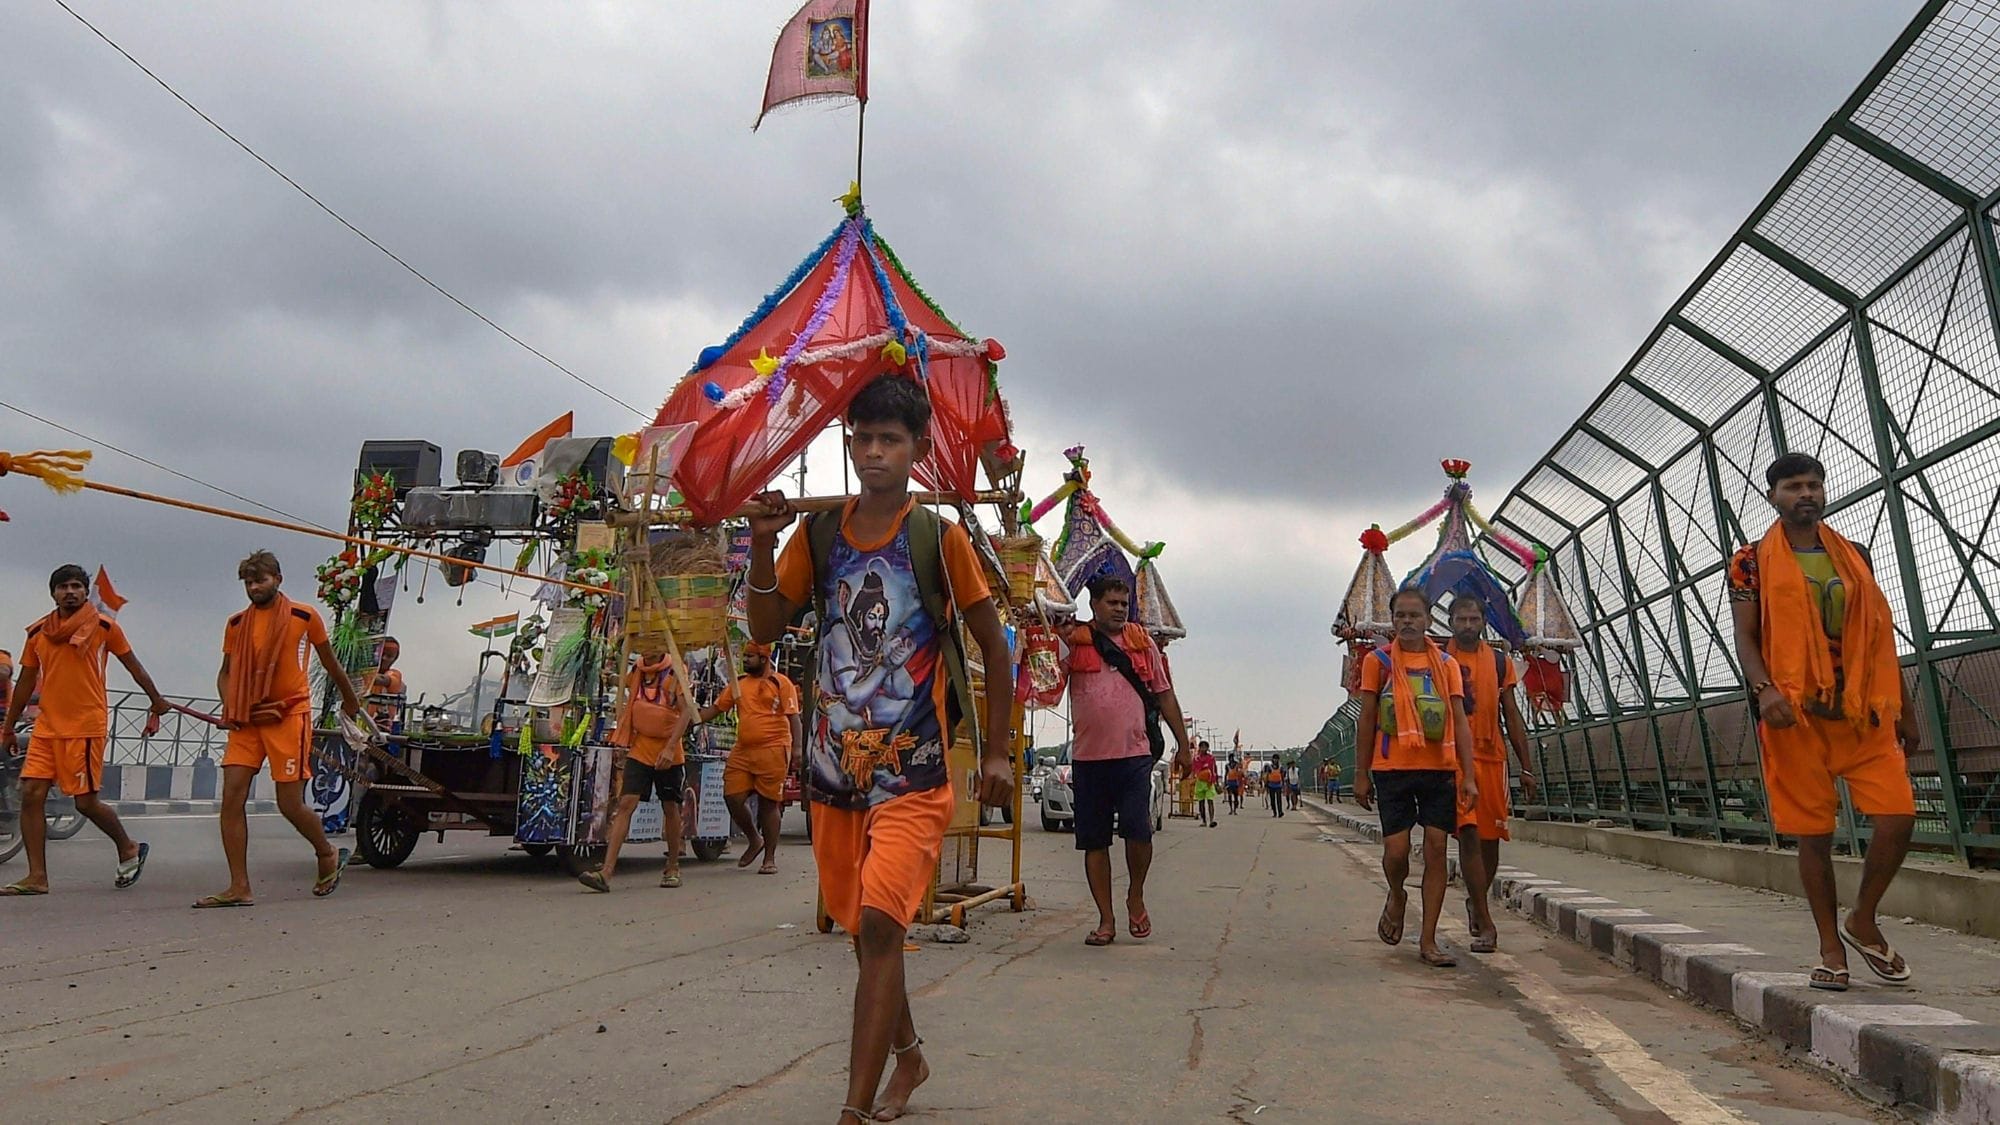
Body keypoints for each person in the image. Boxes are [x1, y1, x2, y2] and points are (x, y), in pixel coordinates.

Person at [744, 374, 1014, 1124]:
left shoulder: (938, 538)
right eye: (861, 437)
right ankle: (910, 1059)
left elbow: (996, 643)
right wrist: (764, 548)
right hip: (833, 777)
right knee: (865, 934)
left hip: (914, 774)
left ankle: (853, 1110)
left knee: (879, 926)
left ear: (918, 449)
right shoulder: (822, 535)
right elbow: (766, 628)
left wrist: (996, 754)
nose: (873, 453)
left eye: (889, 440)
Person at [1729, 452, 1918, 992]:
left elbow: (1879, 634)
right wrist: (1764, 690)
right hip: (1795, 718)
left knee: (1898, 815)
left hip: (1862, 712)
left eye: (1814, 484)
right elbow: (1747, 636)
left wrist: (1904, 708)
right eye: (1793, 487)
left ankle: (1862, 919)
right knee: (1814, 836)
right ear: (1773, 497)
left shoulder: (1854, 555)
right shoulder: (1751, 562)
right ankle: (1830, 948)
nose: (1805, 494)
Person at [194, 550, 363, 908]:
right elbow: (226, 673)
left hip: (288, 717)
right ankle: (239, 886)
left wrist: (351, 702)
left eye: (261, 580)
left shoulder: (304, 616)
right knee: (231, 799)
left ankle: (326, 852)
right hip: (246, 719)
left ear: (278, 579)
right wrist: (229, 706)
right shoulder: (237, 624)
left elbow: (330, 664)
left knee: (289, 804)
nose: (255, 587)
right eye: (249, 582)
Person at [1, 565, 171, 896]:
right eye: (63, 587)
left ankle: (128, 848)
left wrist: (156, 700)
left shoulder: (104, 627)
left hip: (85, 726)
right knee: (31, 795)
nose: (70, 592)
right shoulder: (38, 633)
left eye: (77, 586)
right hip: (47, 727)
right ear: (53, 593)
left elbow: (133, 666)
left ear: (84, 591)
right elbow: (23, 681)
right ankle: (37, 877)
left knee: (85, 803)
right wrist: (8, 727)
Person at [1059, 574, 1192, 947]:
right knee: (1094, 842)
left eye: (1124, 602)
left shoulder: (1141, 643)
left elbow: (1165, 695)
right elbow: (1048, 682)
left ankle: (1135, 893)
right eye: (1111, 602)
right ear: (1093, 605)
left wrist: (1184, 745)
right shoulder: (1075, 642)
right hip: (1088, 759)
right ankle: (1106, 920)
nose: (1119, 609)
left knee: (1138, 830)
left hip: (1134, 754)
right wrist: (1051, 636)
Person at [1353, 586, 1478, 969]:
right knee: (1397, 852)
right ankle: (1396, 894)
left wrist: (1468, 775)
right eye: (1400, 616)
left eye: (1415, 616)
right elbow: (1368, 717)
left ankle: (1428, 939)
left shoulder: (1446, 665)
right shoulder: (1379, 662)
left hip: (1438, 769)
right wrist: (1361, 774)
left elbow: (1459, 719)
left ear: (1428, 620)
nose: (1407, 622)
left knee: (1437, 849)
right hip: (1391, 769)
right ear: (1392, 621)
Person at [1445, 595, 1537, 954]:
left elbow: (1512, 715)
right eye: (1461, 620)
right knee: (1468, 835)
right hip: (1452, 762)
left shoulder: (1500, 663)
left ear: (1483, 622)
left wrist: (1525, 767)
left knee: (1490, 840)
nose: (1467, 626)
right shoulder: (1440, 660)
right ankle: (1486, 920)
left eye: (1473, 619)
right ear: (1450, 622)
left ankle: (1476, 899)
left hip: (1491, 759)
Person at [581, 649, 691, 892]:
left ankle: (672, 867)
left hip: (668, 750)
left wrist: (671, 748)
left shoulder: (674, 671)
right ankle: (606, 872)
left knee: (670, 806)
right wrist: (609, 678)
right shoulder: (638, 670)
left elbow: (687, 711)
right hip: (640, 747)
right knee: (625, 804)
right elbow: (626, 683)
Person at [698, 641, 801, 874]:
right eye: (745, 657)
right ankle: (754, 839)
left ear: (764, 659)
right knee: (732, 796)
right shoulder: (739, 684)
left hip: (774, 748)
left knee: (768, 804)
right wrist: (691, 717)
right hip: (743, 750)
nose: (745, 661)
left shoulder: (781, 683)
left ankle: (769, 858)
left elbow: (794, 717)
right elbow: (715, 709)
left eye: (750, 657)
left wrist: (797, 749)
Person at [362, 636, 406, 728]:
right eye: (381, 654)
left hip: (381, 728)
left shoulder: (394, 674)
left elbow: (383, 680)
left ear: (394, 659)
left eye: (389, 656)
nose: (384, 658)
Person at [1189, 740, 1219, 828]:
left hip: (1209, 782)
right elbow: (1194, 770)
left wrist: (1215, 781)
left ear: (1207, 748)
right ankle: (1204, 821)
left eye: (1205, 747)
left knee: (1210, 801)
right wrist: (1192, 780)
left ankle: (1212, 820)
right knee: (1201, 802)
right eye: (1202, 747)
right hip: (1200, 782)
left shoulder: (1211, 758)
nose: (1203, 749)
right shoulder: (1196, 759)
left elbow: (1214, 770)